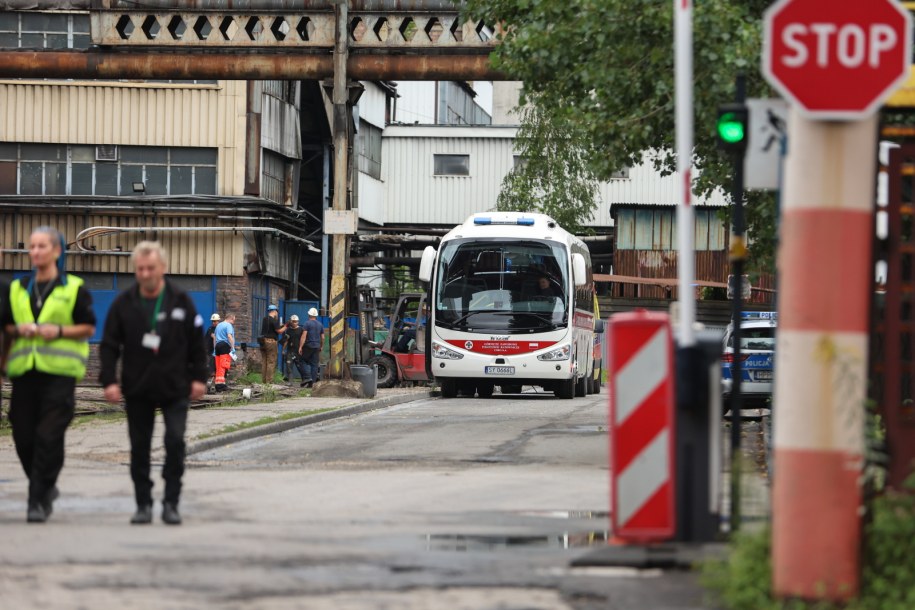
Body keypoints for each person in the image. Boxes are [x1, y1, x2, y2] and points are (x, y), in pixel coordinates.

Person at [100, 241, 207, 526]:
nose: (145, 274)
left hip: (175, 385)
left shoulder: (181, 300)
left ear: (163, 268)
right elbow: (109, 345)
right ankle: (143, 504)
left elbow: (197, 344)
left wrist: (199, 378)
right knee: (139, 446)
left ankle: (171, 502)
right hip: (138, 386)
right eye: (140, 269)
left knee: (175, 441)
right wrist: (109, 381)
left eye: (150, 268)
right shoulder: (124, 303)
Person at [2, 226, 96, 523]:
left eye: (42, 246)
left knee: (48, 435)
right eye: (32, 246)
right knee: (23, 436)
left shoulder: (73, 288)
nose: (35, 252)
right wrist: (19, 329)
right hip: (24, 373)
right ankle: (45, 486)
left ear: (56, 251)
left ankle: (36, 499)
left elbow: (88, 327)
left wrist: (57, 331)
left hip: (59, 374)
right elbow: (6, 326)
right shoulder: (18, 288)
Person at [298, 307, 324, 387]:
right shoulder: (320, 324)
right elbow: (323, 337)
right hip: (317, 347)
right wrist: (321, 346)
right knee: (314, 365)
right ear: (316, 315)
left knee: (301, 360)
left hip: (308, 346)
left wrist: (300, 346)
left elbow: (304, 336)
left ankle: (307, 377)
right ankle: (312, 384)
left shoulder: (307, 323)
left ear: (309, 314)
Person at [259, 304, 286, 384]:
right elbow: (279, 331)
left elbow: (271, 328)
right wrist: (286, 326)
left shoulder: (265, 319)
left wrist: (280, 325)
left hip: (263, 341)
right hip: (271, 342)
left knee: (264, 361)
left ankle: (264, 381)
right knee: (271, 361)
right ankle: (269, 381)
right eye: (277, 312)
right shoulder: (273, 320)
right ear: (275, 311)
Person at [213, 313, 236, 392]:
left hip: (217, 346)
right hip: (224, 346)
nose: (233, 322)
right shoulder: (228, 325)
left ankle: (217, 384)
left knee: (218, 365)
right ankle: (221, 385)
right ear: (231, 318)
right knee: (223, 365)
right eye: (234, 320)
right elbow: (229, 336)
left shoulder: (218, 325)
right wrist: (233, 347)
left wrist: (214, 348)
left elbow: (214, 337)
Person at [281, 314, 307, 383]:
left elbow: (303, 339)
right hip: (290, 351)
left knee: (300, 366)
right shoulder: (288, 330)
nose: (295, 323)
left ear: (298, 322)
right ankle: (290, 381)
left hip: (298, 351)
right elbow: (286, 341)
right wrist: (283, 350)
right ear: (291, 322)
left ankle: (304, 380)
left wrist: (302, 348)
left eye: (296, 321)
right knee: (289, 366)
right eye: (293, 321)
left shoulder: (301, 329)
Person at [203, 313, 220, 378]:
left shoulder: (220, 329)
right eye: (212, 321)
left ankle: (213, 372)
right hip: (209, 348)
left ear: (218, 321)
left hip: (216, 347)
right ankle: (210, 372)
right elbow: (206, 338)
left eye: (215, 321)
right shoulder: (210, 328)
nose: (213, 323)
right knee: (209, 360)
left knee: (213, 359)